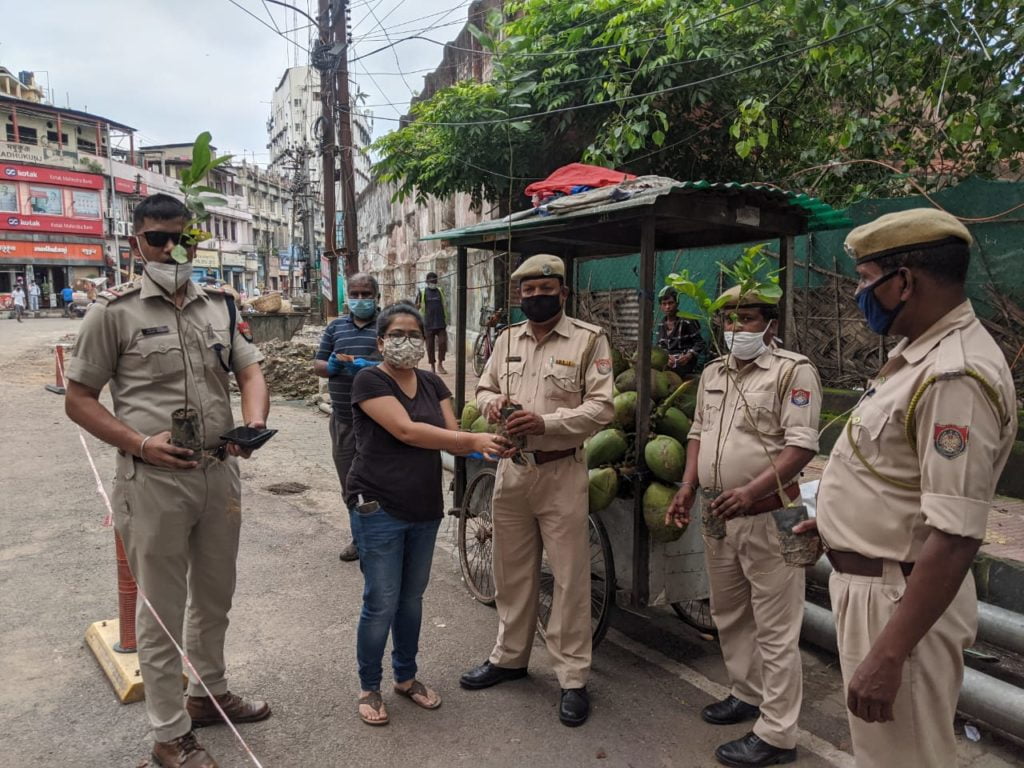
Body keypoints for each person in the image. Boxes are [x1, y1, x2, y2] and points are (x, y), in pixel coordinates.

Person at [797, 209, 1016, 768]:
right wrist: (832, 522)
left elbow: (955, 536)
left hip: (898, 603)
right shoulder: (914, 358)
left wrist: (890, 654)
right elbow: (895, 480)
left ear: (906, 281)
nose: (859, 295)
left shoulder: (954, 377)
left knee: (904, 759)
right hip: (876, 588)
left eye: (866, 280)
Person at [64, 193, 272, 768]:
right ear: (137, 244)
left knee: (215, 597)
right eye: (158, 239)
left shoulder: (220, 307)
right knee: (160, 611)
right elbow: (79, 400)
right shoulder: (114, 312)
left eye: (182, 238)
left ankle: (207, 694)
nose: (171, 249)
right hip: (153, 481)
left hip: (218, 473)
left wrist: (253, 423)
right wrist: (138, 443)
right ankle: (169, 735)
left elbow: (249, 370)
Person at [666, 284, 822, 767]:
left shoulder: (793, 373)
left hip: (771, 515)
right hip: (718, 512)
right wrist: (688, 486)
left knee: (776, 627)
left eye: (748, 319)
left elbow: (802, 447)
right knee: (730, 614)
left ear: (770, 325)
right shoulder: (714, 372)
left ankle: (777, 733)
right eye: (729, 320)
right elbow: (697, 434)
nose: (736, 329)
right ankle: (746, 693)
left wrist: (751, 492)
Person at [460, 253, 614, 727]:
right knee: (512, 571)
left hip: (562, 472)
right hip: (512, 472)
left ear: (562, 293)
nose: (535, 297)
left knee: (568, 579)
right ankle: (509, 658)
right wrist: (493, 404)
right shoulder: (506, 339)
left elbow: (603, 407)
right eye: (526, 292)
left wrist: (546, 421)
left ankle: (572, 678)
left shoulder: (589, 340)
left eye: (544, 290)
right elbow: (482, 390)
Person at [346, 303, 511, 726]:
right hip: (378, 505)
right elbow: (406, 430)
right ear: (381, 341)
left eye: (414, 334)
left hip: (423, 506)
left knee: (411, 599)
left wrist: (490, 441)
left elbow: (454, 438)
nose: (406, 341)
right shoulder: (369, 380)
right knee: (380, 600)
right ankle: (369, 686)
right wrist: (467, 437)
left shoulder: (433, 382)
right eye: (397, 334)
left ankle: (405, 677)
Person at [314, 273, 382, 563]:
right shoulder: (336, 328)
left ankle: (383, 537)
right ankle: (359, 538)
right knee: (350, 483)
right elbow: (318, 364)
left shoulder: (387, 324)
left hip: (380, 422)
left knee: (380, 481)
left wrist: (374, 368)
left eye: (366, 294)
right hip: (343, 419)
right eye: (355, 294)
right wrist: (329, 366)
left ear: (376, 296)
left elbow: (404, 364)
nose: (361, 300)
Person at [657, 285, 706, 375]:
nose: (667, 307)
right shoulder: (661, 324)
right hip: (668, 363)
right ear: (661, 306)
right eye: (664, 304)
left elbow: (700, 343)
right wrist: (666, 357)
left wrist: (689, 355)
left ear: (677, 303)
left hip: (685, 363)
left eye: (670, 303)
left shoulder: (687, 321)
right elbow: (660, 346)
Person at [416, 271, 450, 375]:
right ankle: (433, 366)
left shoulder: (440, 291)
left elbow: (444, 305)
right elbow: (417, 306)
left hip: (440, 323)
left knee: (442, 343)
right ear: (427, 281)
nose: (433, 282)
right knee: (430, 346)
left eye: (435, 280)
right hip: (428, 324)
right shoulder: (422, 292)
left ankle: (440, 364)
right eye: (431, 280)